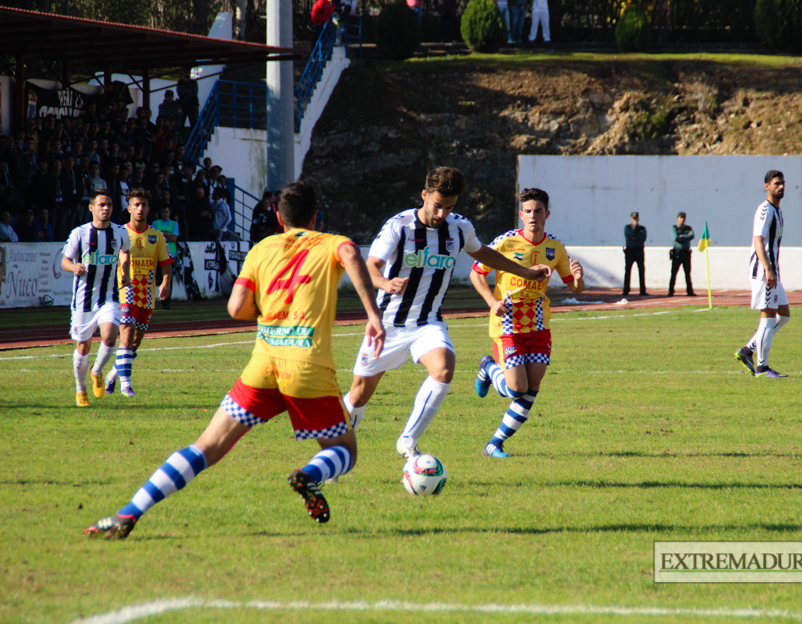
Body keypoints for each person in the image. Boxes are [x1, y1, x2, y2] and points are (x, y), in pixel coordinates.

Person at [84, 180, 385, 540]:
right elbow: (352, 255)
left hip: (263, 365)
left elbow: (235, 307)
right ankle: (309, 475)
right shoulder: (332, 242)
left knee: (205, 447)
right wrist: (373, 316)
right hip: (307, 368)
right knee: (344, 451)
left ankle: (129, 511)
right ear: (316, 216)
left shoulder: (261, 248)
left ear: (278, 216)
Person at [342, 167, 551, 460]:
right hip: (388, 323)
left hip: (428, 322)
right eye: (437, 205)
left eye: (449, 207)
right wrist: (386, 283)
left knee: (444, 368)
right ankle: (336, 453)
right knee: (358, 395)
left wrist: (526, 272)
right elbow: (370, 266)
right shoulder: (398, 226)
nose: (442, 214)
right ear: (425, 195)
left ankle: (407, 440)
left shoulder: (459, 227)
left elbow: (483, 254)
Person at [471, 187, 584, 458]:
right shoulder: (505, 242)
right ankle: (488, 368)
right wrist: (491, 301)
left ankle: (494, 444)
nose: (534, 216)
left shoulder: (555, 247)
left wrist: (579, 279)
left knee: (532, 387)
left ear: (547, 214)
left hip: (539, 325)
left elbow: (575, 288)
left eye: (539, 211)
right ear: (521, 215)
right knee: (516, 388)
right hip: (508, 323)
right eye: (529, 211)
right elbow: (477, 273)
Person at [61, 190, 132, 407]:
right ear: (91, 207)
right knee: (83, 347)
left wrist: (126, 272)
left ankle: (97, 370)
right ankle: (80, 390)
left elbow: (125, 251)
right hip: (83, 301)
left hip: (108, 297)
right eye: (101, 204)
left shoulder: (120, 233)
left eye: (109, 204)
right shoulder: (79, 234)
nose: (106, 208)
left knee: (110, 335)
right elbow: (64, 261)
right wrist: (74, 266)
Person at [100, 189, 172, 398]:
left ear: (148, 209)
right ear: (129, 208)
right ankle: (127, 385)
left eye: (143, 205)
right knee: (127, 333)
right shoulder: (119, 233)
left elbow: (166, 264)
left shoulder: (157, 236)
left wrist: (165, 281)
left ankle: (112, 375)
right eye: (136, 204)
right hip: (125, 290)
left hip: (147, 294)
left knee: (133, 343)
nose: (140, 208)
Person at [735, 170, 790, 379]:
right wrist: (767, 268)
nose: (781, 187)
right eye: (777, 184)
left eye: (783, 183)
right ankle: (762, 367)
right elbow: (758, 240)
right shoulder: (765, 210)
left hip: (772, 272)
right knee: (767, 317)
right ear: (767, 186)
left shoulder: (778, 211)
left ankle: (747, 350)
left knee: (783, 316)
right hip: (763, 272)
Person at [151, 204, 180, 310]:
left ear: (170, 212)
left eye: (166, 212)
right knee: (153, 278)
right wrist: (166, 236)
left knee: (168, 279)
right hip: (156, 254)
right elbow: (153, 238)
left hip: (170, 254)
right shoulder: (155, 223)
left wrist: (162, 236)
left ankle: (166, 302)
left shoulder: (174, 224)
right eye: (163, 212)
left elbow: (174, 238)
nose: (165, 214)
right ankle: (151, 300)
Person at [668, 211, 695, 296]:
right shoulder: (674, 228)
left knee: (687, 273)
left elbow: (692, 236)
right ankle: (671, 291)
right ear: (677, 219)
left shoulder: (688, 228)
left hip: (686, 253)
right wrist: (686, 238)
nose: (682, 220)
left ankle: (689, 291)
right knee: (674, 273)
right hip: (677, 253)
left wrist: (683, 236)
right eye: (680, 218)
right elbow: (675, 237)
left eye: (683, 218)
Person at [622, 211, 647, 297]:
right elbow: (628, 235)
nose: (635, 220)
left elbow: (642, 238)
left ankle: (642, 290)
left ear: (638, 219)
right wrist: (633, 229)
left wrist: (633, 238)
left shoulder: (642, 228)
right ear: (631, 219)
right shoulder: (627, 228)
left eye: (636, 219)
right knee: (628, 270)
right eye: (633, 219)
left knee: (641, 270)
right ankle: (626, 290)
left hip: (639, 251)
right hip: (630, 251)